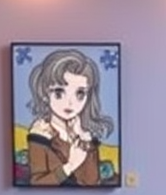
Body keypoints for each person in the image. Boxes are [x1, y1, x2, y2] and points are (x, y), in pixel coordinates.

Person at [25, 48, 116, 186]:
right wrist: (70, 166)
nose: (70, 103)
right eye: (59, 92)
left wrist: (84, 140)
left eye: (80, 94)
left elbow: (91, 182)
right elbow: (37, 182)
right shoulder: (40, 135)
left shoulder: (83, 135)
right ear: (44, 94)